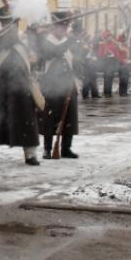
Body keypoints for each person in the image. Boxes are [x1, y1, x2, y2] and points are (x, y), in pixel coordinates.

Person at [0, 6, 41, 166]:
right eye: (4, 23)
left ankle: (30, 155)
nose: (7, 26)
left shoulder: (25, 38)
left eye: (9, 23)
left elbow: (37, 54)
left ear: (16, 23)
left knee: (26, 120)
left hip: (23, 85)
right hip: (2, 85)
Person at [38, 12, 79, 160]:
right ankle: (48, 149)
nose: (63, 30)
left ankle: (66, 148)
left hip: (68, 83)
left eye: (65, 27)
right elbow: (54, 52)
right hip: (52, 84)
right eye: (61, 27)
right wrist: (70, 41)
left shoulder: (68, 42)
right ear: (54, 27)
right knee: (49, 117)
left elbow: (77, 59)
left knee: (69, 116)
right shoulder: (46, 41)